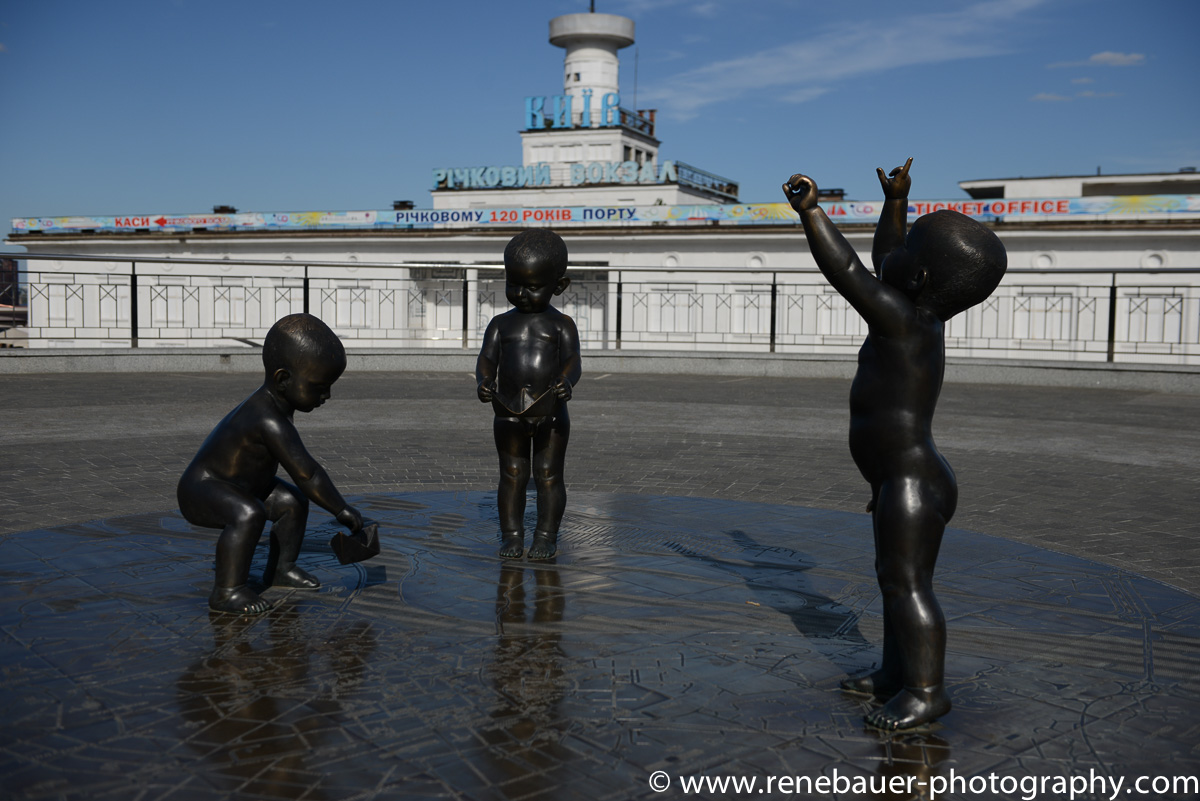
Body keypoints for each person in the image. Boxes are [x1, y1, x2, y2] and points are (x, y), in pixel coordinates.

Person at [783, 159, 1006, 730]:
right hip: (897, 478)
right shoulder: (917, 313)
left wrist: (812, 213)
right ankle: (893, 672)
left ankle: (927, 691)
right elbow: (885, 257)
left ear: (921, 277)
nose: (894, 252)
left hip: (912, 482)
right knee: (892, 580)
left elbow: (850, 270)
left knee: (908, 586)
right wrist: (895, 203)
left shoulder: (902, 321)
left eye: (908, 247)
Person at [178, 313, 365, 614]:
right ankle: (227, 591)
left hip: (243, 485)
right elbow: (307, 473)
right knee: (248, 513)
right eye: (319, 386)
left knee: (292, 502)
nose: (327, 395)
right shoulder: (268, 419)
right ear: (283, 380)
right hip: (203, 489)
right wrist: (340, 509)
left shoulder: (277, 408)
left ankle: (281, 569)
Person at [477, 229, 581, 560]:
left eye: (533, 287)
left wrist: (566, 381)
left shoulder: (562, 324)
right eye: (514, 284)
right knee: (512, 474)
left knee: (548, 475)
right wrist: (484, 380)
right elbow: (486, 358)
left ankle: (546, 535)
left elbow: (573, 360)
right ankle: (512, 535)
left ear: (559, 286)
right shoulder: (499, 324)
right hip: (507, 412)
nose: (521, 294)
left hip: (551, 413)